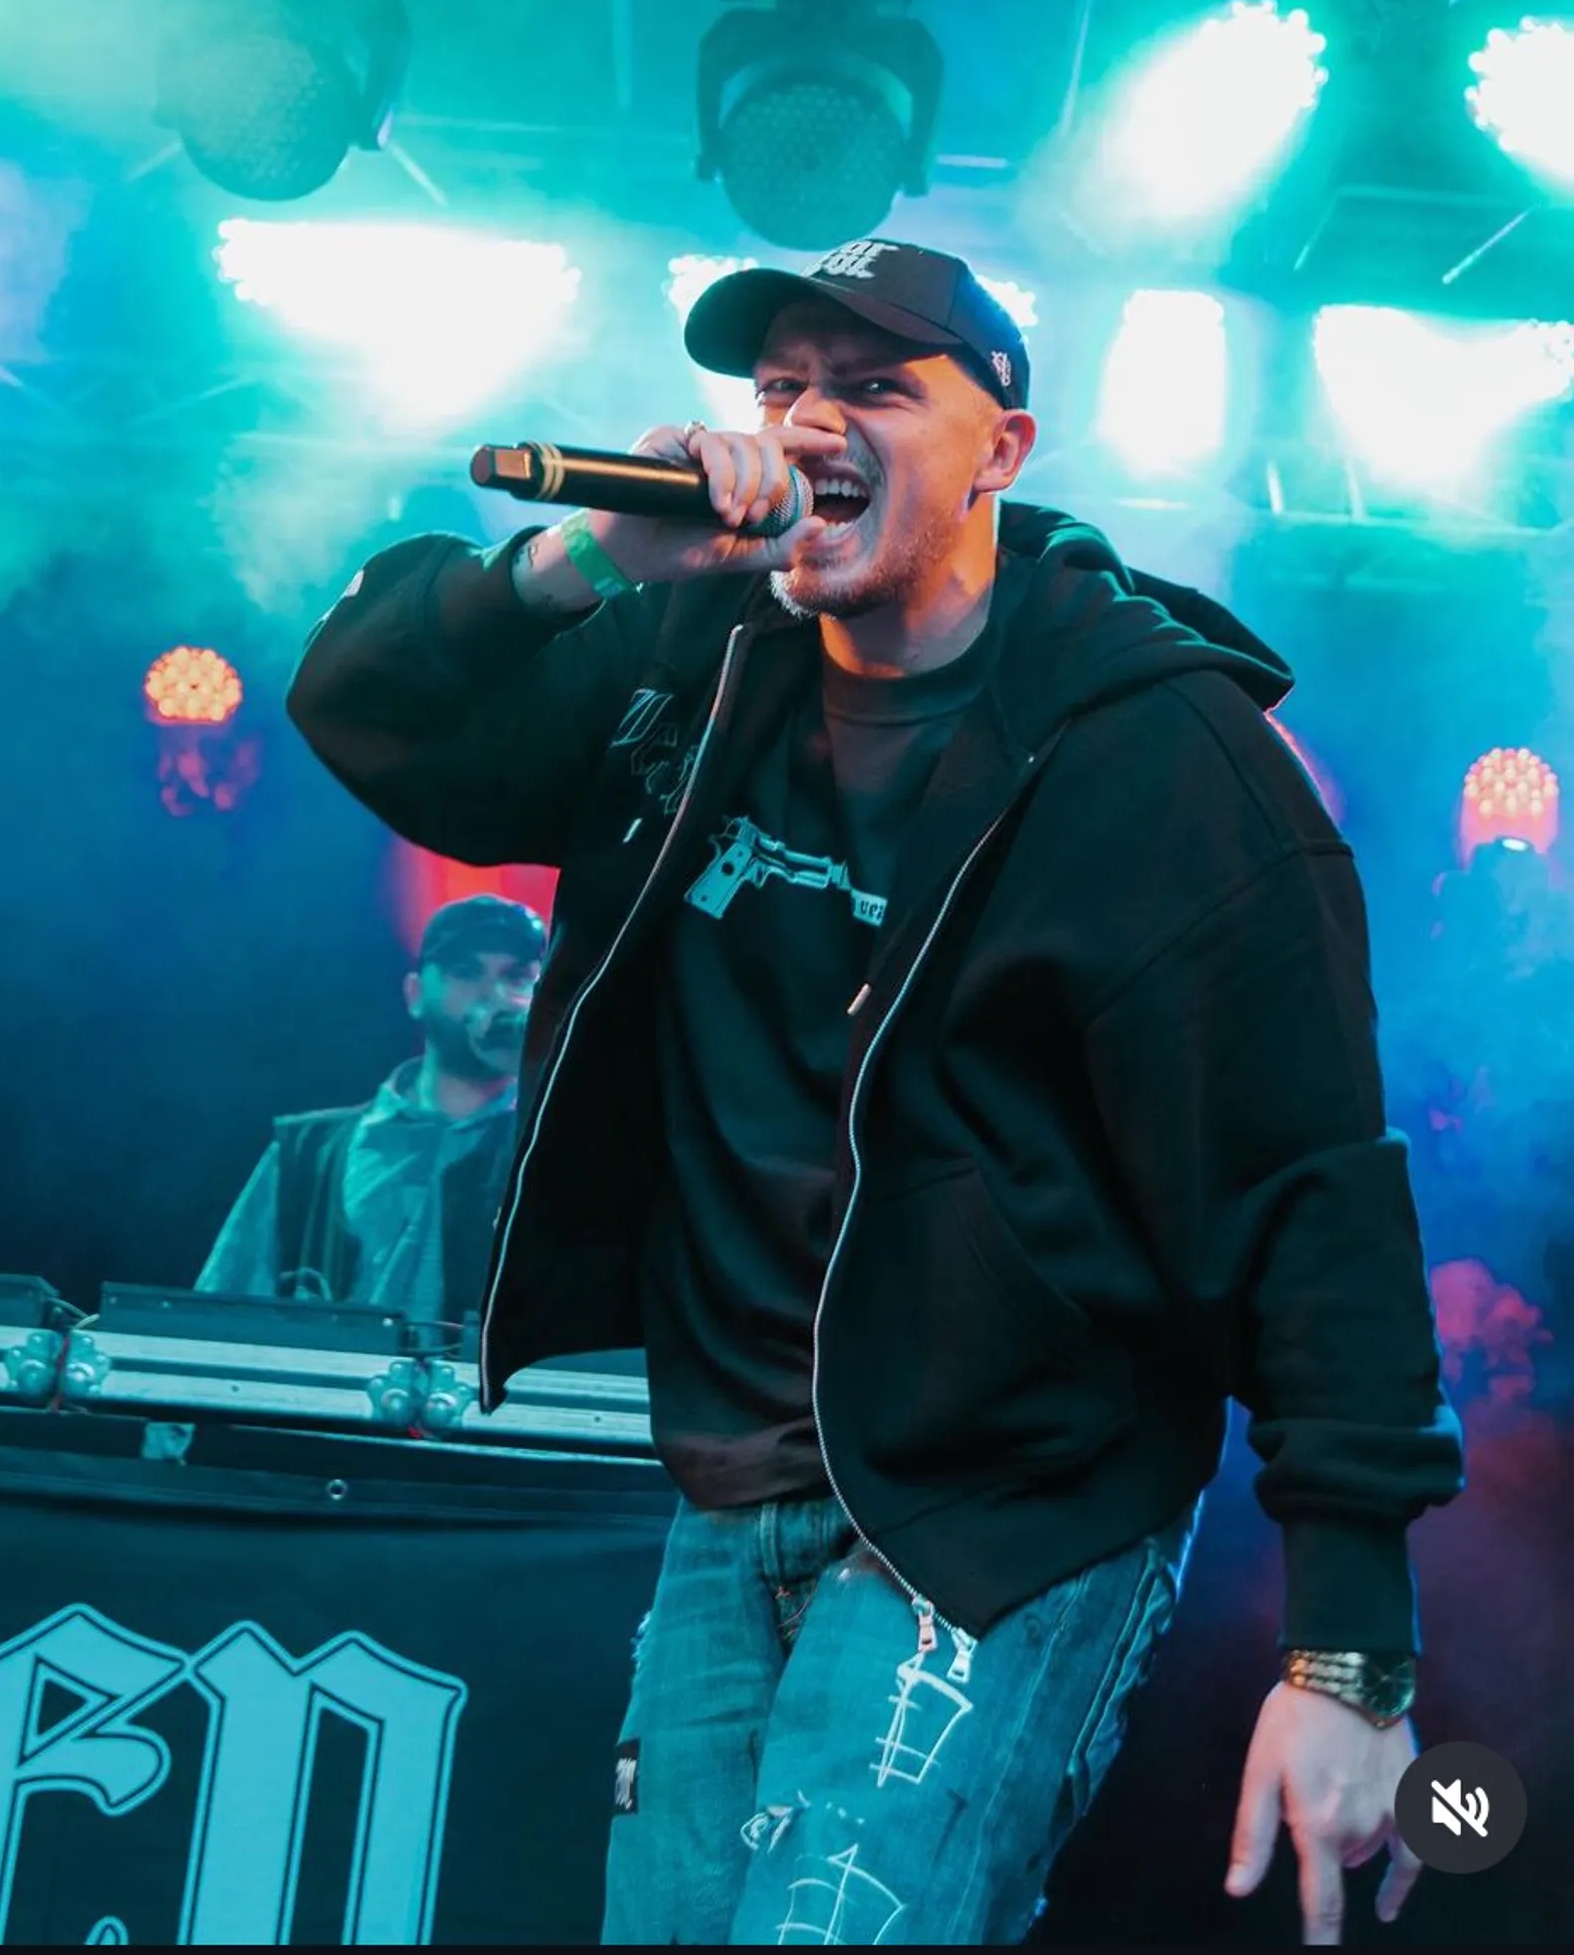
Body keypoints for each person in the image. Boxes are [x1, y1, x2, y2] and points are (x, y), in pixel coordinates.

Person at [287, 238, 1465, 1947]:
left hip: (1007, 1498)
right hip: (732, 1478)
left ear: (1001, 448)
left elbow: (1311, 1186)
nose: (808, 420)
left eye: (875, 388)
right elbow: (364, 707)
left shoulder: (1157, 754)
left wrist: (1350, 1651)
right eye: (780, 386)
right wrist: (586, 554)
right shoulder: (689, 655)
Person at [196, 893, 544, 1326]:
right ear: (415, 993)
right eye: (466, 972)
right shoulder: (311, 1150)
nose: (493, 995)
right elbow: (219, 1314)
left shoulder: (554, 1150)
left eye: (516, 976)